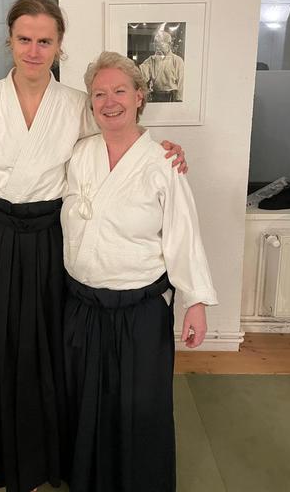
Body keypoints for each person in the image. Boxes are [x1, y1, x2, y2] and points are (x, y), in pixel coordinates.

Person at [0, 0, 188, 492]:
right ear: (9, 40)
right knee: (0, 346)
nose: (34, 50)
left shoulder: (75, 104)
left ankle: (47, 458)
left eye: (44, 41)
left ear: (59, 46)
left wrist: (165, 149)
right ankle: (1, 453)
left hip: (52, 239)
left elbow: (119, 136)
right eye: (24, 39)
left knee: (48, 352)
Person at [61, 51, 218, 492]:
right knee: (85, 399)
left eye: (119, 91)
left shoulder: (163, 162)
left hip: (139, 309)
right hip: (81, 304)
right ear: (90, 103)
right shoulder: (78, 154)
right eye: (99, 94)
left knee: (140, 404)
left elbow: (183, 235)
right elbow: (37, 194)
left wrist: (195, 302)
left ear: (139, 97)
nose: (109, 102)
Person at [139, 30, 184, 102]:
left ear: (169, 44)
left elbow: (181, 84)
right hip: (155, 97)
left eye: (160, 45)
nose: (157, 49)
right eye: (156, 45)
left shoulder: (177, 60)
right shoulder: (151, 60)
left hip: (172, 98)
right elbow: (142, 76)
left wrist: (179, 101)